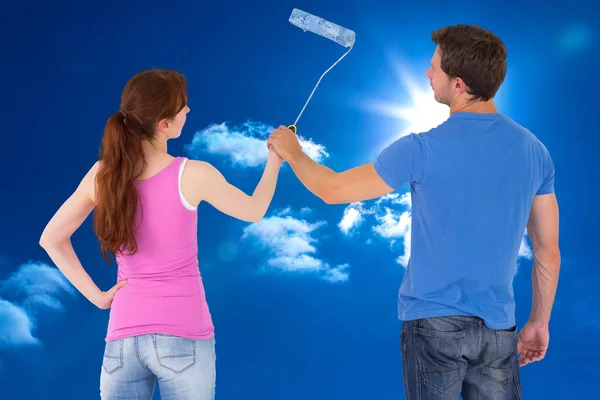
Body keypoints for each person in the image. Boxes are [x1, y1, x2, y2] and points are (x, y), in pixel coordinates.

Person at [268, 24, 560, 399]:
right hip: (499, 330)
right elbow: (547, 249)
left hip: (433, 326)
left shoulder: (420, 149)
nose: (427, 73)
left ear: (458, 84)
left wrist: (293, 152)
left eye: (434, 68)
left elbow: (332, 189)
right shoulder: (534, 151)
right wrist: (539, 321)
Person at [39, 69, 282, 400]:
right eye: (183, 107)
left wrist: (97, 296)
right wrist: (275, 160)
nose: (189, 111)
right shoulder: (192, 174)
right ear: (164, 124)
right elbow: (254, 210)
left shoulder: (103, 176)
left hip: (122, 340)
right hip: (184, 335)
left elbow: (51, 238)